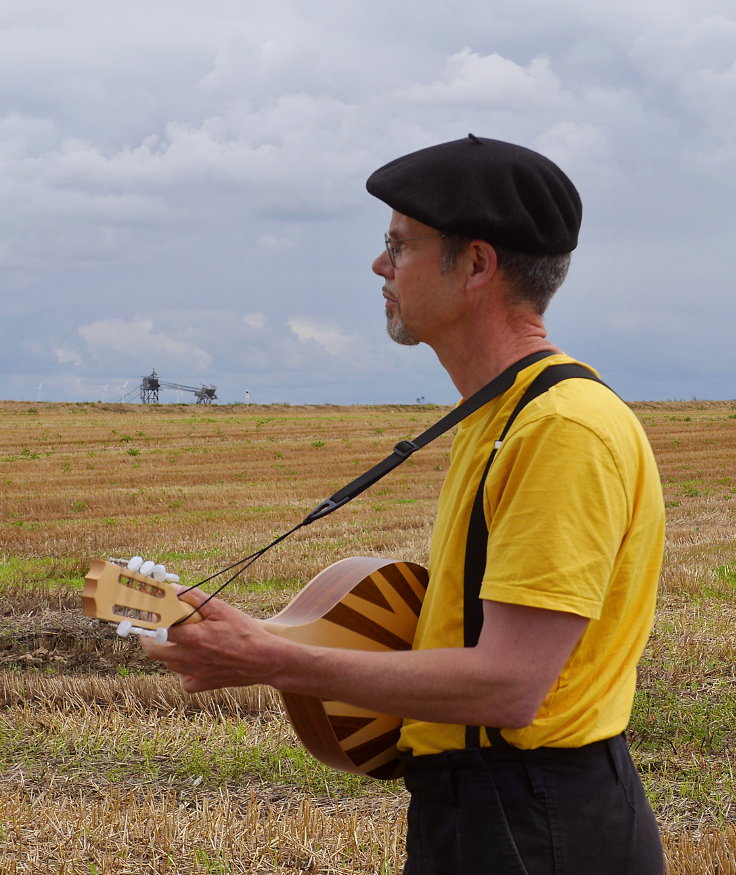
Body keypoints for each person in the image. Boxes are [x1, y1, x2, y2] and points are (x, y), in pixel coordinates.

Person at [140, 135, 666, 874]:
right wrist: (264, 639)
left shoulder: (562, 430)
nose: (380, 265)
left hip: (537, 822)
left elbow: (510, 683)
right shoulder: (499, 415)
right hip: (491, 810)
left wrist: (276, 660)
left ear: (477, 264)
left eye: (399, 244)